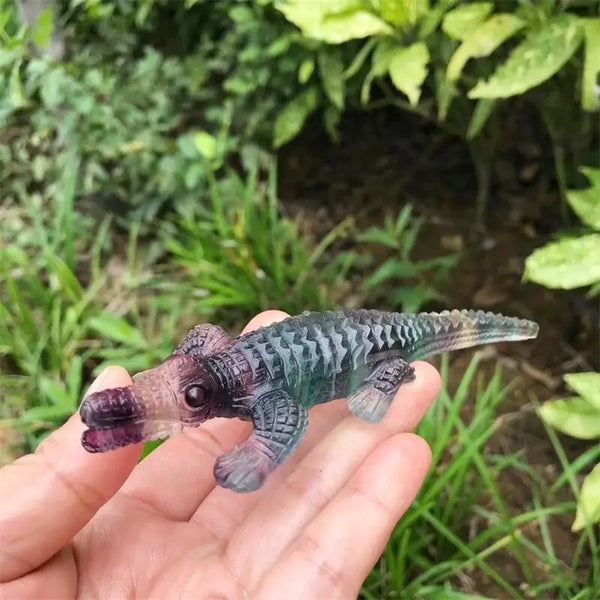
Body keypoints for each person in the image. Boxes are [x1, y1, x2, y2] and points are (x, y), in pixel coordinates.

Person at [0, 310, 440, 599]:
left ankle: (393, 370)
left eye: (192, 396)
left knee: (368, 404)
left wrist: (259, 454)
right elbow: (206, 334)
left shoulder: (259, 395)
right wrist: (182, 367)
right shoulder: (216, 362)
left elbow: (286, 417)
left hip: (377, 345)